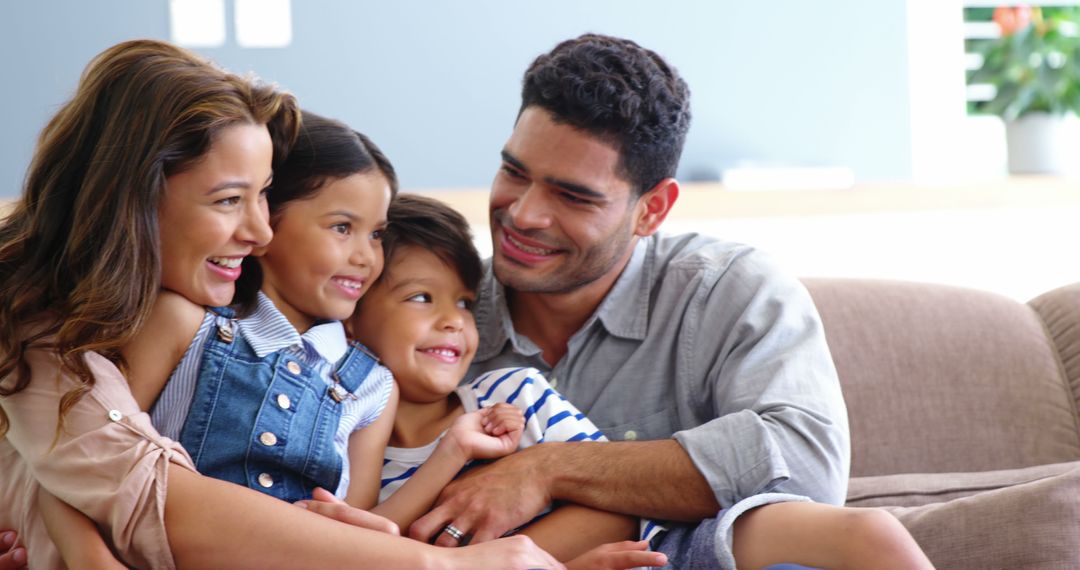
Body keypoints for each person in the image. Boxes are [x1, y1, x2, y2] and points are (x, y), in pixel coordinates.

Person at [0, 38, 561, 569]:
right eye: (228, 200)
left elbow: (84, 474)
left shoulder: (367, 383)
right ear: (133, 197)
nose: (259, 231)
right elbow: (138, 491)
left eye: (263, 194)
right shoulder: (54, 323)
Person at [404, 33, 858, 568]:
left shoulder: (728, 291)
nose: (523, 214)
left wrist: (547, 468)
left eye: (572, 195)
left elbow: (806, 464)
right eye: (514, 172)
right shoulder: (421, 321)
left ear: (652, 210)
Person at [343, 193, 932, 570]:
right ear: (350, 310)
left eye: (468, 303)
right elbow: (364, 543)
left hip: (667, 544)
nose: (454, 319)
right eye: (421, 298)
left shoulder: (511, 394)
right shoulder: (341, 429)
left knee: (871, 535)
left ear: (648, 208)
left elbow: (620, 505)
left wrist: (539, 475)